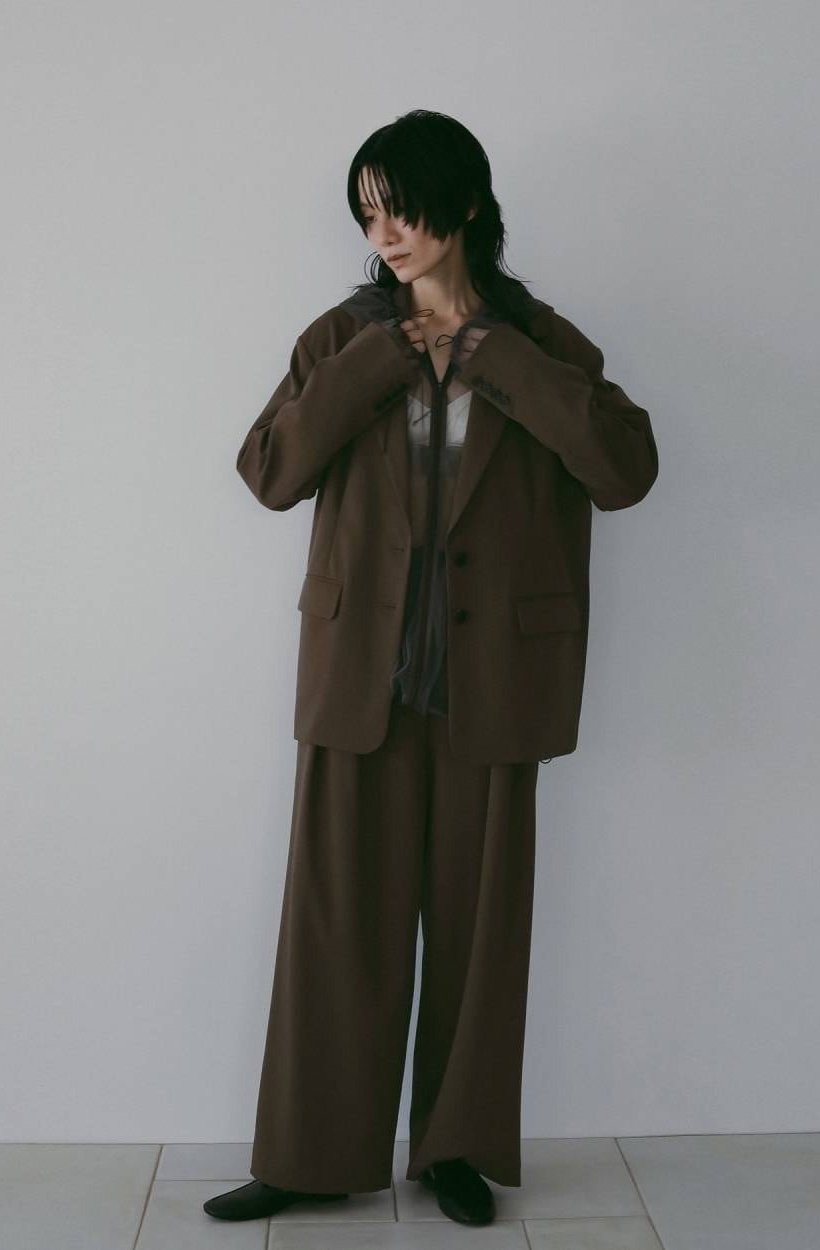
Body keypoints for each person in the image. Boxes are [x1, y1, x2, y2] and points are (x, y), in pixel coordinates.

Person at [204, 108, 659, 1228]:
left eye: (400, 208)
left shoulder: (540, 339)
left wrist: (501, 359)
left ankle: (454, 1149)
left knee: (476, 930)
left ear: (462, 204)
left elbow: (623, 470)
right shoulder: (343, 335)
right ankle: (312, 1155)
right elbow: (269, 472)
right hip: (362, 672)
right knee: (335, 928)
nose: (384, 232)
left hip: (491, 677)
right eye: (368, 214)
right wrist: (372, 361)